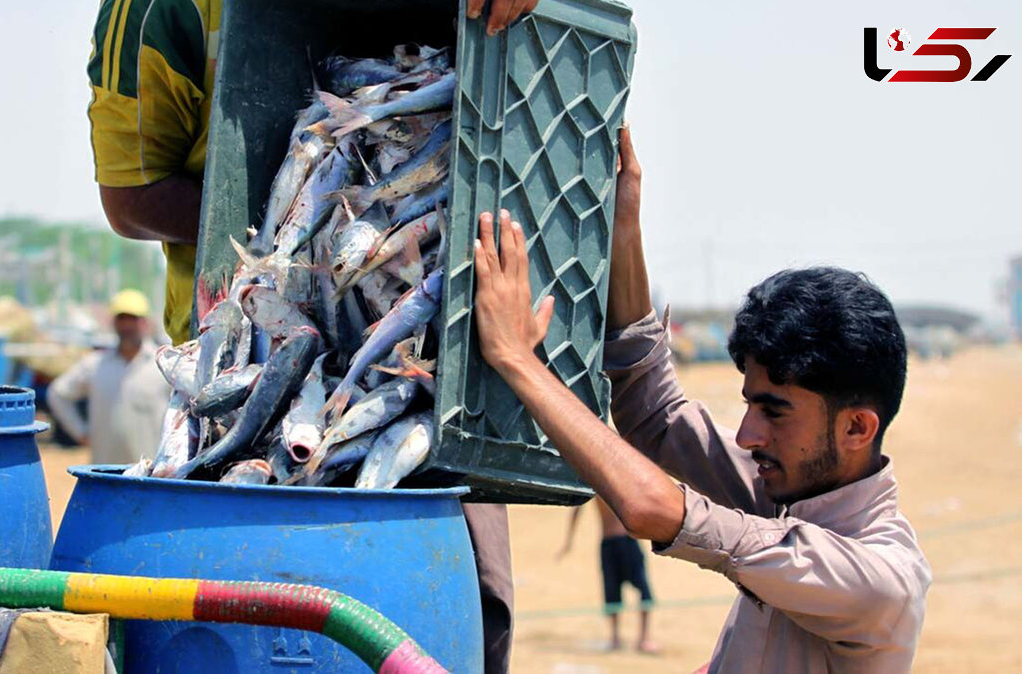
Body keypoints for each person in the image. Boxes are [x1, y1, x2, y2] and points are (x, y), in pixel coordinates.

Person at [86, 2, 537, 670]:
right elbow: (132, 195)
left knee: (475, 614)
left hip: (439, 377)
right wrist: (296, 236)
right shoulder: (161, 9)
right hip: (247, 364)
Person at [470, 128, 931, 672]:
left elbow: (653, 507)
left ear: (857, 428)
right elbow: (656, 416)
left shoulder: (877, 582)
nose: (746, 436)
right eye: (751, 406)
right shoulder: (791, 489)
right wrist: (622, 224)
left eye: (774, 412)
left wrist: (517, 360)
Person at [48, 290, 170, 466]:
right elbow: (58, 393)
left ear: (145, 323)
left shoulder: (163, 366)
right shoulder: (95, 365)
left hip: (152, 477)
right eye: (122, 320)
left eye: (133, 320)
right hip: (105, 475)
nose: (127, 327)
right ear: (114, 323)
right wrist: (80, 431)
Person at [559, 497, 659, 654]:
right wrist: (568, 541)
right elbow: (577, 507)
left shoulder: (618, 479)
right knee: (612, 592)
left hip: (626, 540)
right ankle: (615, 637)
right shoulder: (595, 483)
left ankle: (643, 637)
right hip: (611, 542)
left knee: (643, 590)